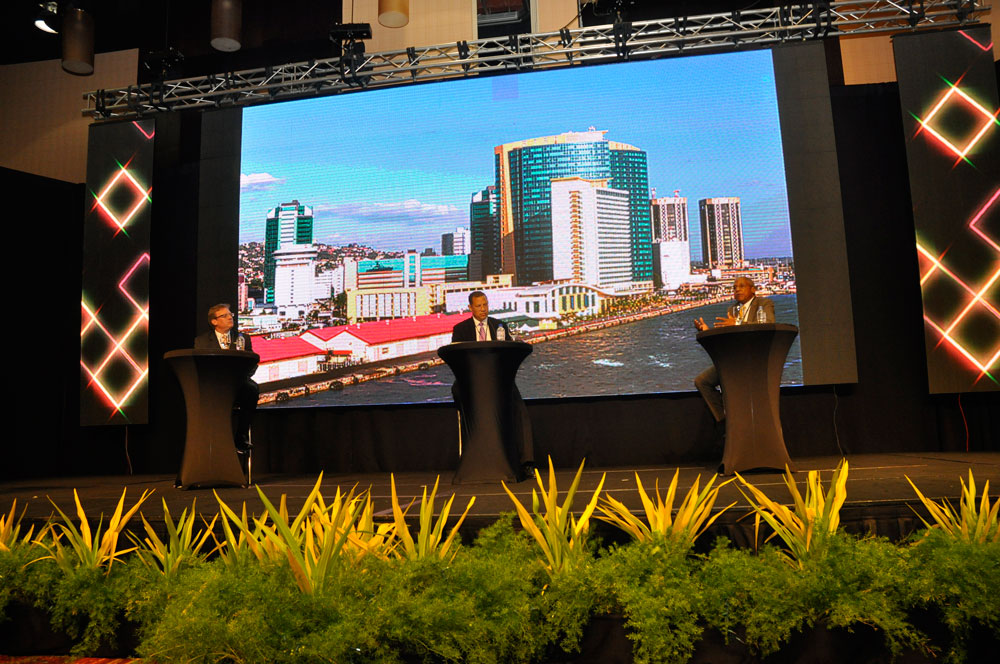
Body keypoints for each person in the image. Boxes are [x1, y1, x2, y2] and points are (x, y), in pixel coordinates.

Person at [450, 291, 534, 476]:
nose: (483, 309)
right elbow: (457, 358)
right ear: (470, 308)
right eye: (478, 306)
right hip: (471, 382)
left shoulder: (499, 326)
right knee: (458, 391)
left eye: (485, 305)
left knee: (519, 409)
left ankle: (526, 463)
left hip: (499, 381)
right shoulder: (461, 329)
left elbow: (510, 353)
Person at [692, 277, 775, 443]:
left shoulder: (764, 304)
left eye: (741, 286)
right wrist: (706, 331)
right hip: (733, 359)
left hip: (754, 359)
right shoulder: (732, 309)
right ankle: (723, 420)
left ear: (753, 289)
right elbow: (727, 338)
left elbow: (767, 326)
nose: (737, 289)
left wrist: (737, 322)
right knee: (702, 381)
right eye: (734, 287)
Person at [194, 303, 258, 454]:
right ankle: (212, 441)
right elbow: (201, 367)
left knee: (252, 389)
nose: (230, 317)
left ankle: (241, 438)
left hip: (239, 385)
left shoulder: (243, 338)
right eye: (225, 315)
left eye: (231, 314)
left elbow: (252, 363)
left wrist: (241, 377)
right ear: (214, 321)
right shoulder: (201, 341)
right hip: (214, 386)